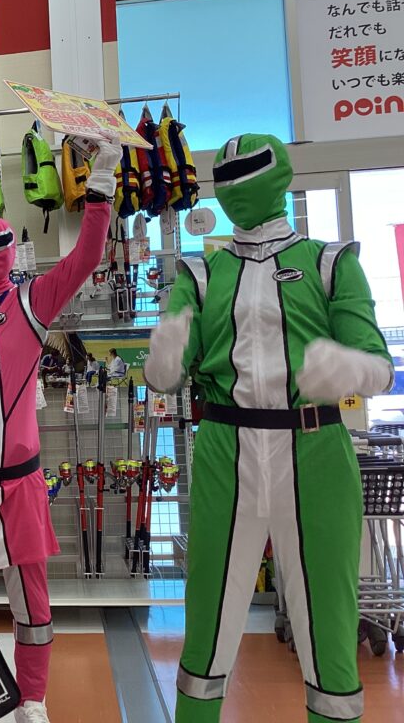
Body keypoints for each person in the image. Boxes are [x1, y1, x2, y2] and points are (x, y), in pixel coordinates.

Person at [144, 134, 393, 723]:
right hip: (224, 447)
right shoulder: (200, 273)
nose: (236, 185)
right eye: (225, 175)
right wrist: (164, 359)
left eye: (248, 171)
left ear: (279, 175)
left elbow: (378, 363)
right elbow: (165, 375)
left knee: (327, 612)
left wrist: (352, 369)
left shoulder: (330, 262)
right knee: (209, 608)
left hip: (315, 448)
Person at [0, 136, 121, 723]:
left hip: (17, 482)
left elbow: (85, 259)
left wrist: (101, 183)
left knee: (33, 605)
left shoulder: (30, 303)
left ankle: (34, 698)